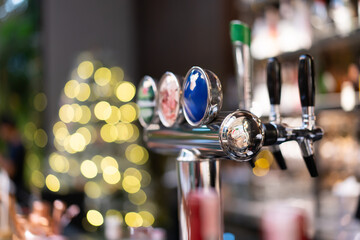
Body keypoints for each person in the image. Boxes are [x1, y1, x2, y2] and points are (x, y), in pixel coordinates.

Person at [0, 116, 29, 209]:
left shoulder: (17, 145)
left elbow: (11, 170)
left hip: (17, 194)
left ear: (7, 127)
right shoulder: (10, 145)